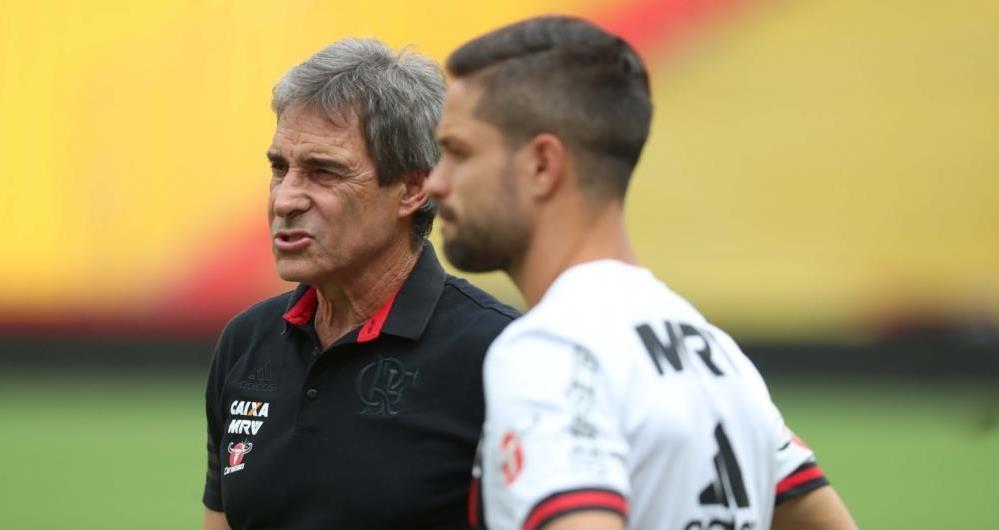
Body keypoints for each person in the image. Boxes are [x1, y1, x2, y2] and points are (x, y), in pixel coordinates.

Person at [426, 16, 857, 530]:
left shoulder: (552, 350)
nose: (436, 182)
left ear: (542, 165)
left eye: (458, 152)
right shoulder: (715, 354)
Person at [202, 38, 517, 530]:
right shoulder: (246, 343)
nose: (285, 199)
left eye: (323, 173)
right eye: (279, 168)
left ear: (413, 189)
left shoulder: (501, 355)